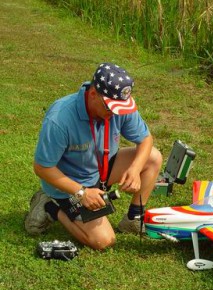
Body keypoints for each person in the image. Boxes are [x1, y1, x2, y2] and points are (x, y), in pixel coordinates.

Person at [25, 62, 163, 250]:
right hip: (68, 186)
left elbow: (146, 139)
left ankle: (133, 219)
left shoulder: (118, 105)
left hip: (101, 171)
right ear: (92, 94)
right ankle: (50, 206)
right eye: (111, 109)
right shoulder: (60, 118)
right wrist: (81, 192)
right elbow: (42, 167)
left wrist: (135, 168)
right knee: (103, 241)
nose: (116, 114)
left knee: (152, 157)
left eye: (120, 109)